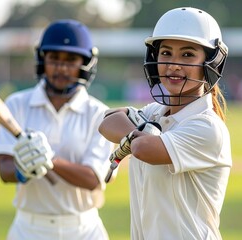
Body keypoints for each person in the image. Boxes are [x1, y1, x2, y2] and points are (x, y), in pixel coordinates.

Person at [98, 7, 232, 240]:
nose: (174, 64)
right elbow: (107, 121)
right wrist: (140, 132)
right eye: (166, 53)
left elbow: (143, 149)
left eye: (188, 55)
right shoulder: (155, 112)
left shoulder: (208, 127)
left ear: (211, 62)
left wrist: (136, 136)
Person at [0, 19, 114, 240]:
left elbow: (93, 179)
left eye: (71, 60)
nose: (61, 67)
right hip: (28, 228)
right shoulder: (16, 104)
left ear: (85, 63)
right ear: (42, 59)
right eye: (54, 58)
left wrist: (49, 160)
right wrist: (23, 170)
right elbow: (4, 170)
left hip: (83, 228)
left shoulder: (100, 113)